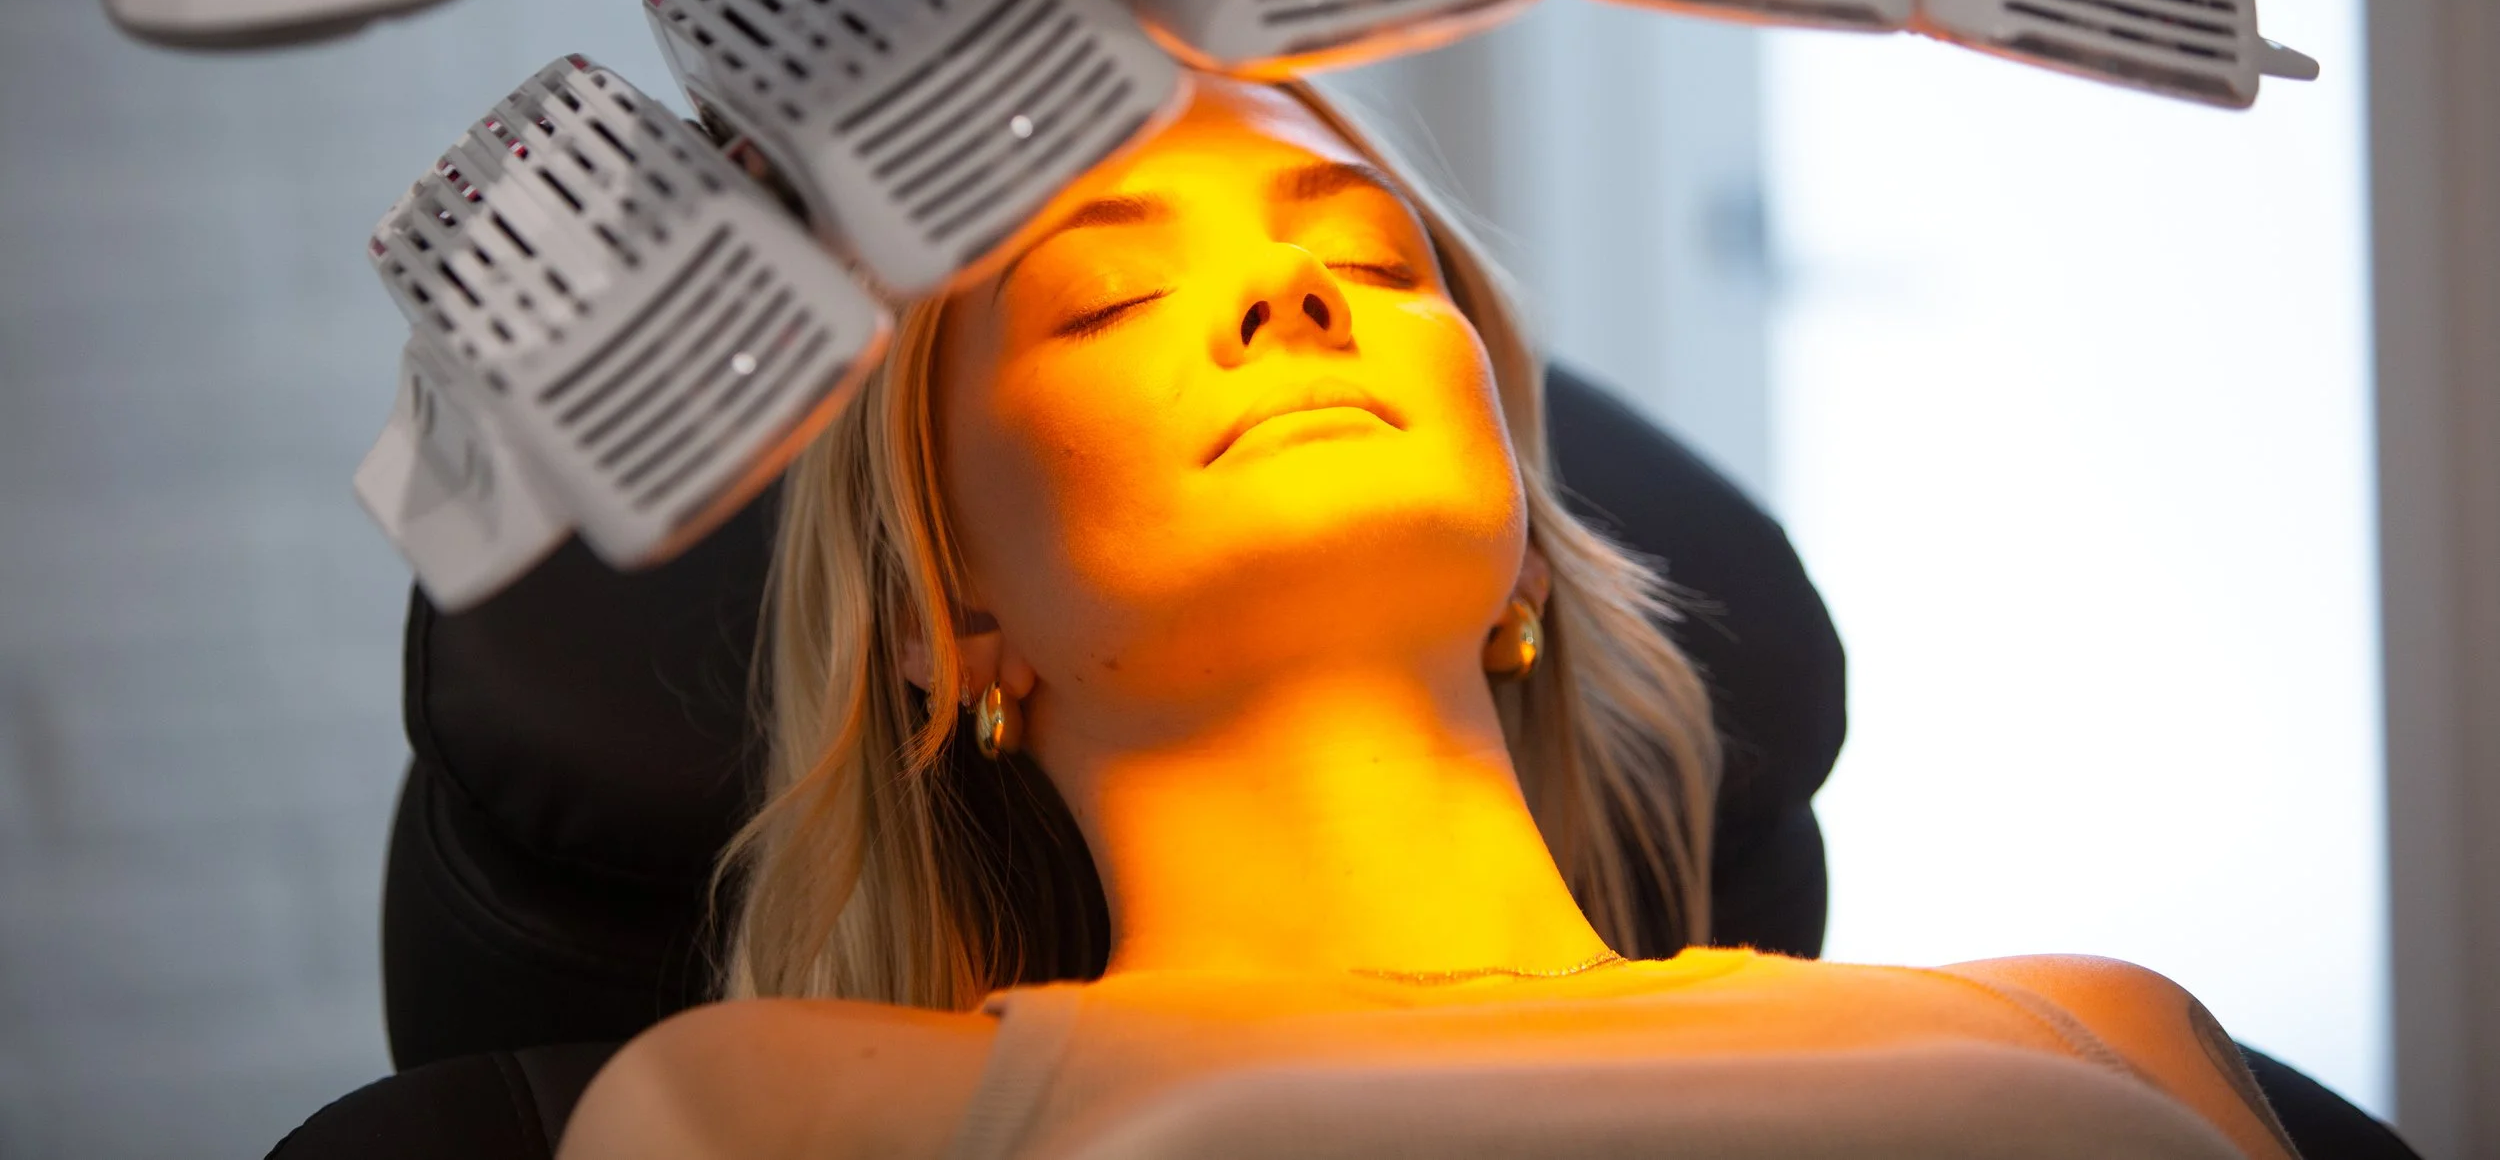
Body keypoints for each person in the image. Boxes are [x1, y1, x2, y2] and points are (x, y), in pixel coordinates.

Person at [557, 74, 2299, 1160]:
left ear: (1531, 541)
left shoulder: (2101, 1028)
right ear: (947, 608)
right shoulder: (774, 1117)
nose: (1297, 293)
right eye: (1108, 297)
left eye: (1380, 264)